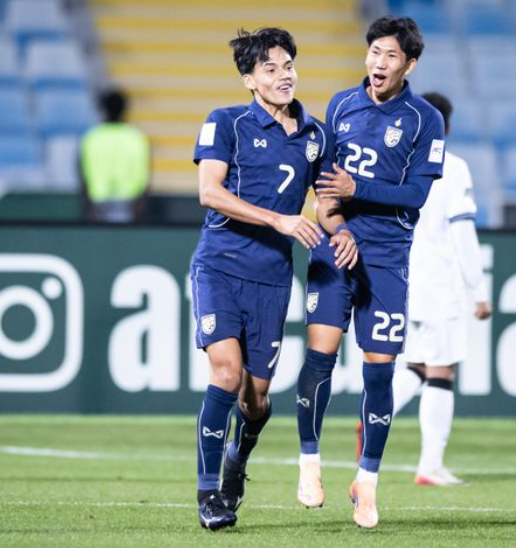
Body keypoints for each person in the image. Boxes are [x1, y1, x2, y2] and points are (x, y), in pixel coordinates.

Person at [190, 27, 357, 531]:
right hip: (220, 266)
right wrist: (278, 220)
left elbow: (325, 204)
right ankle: (209, 494)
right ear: (249, 80)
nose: (284, 76)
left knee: (256, 399)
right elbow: (209, 192)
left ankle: (237, 458)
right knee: (226, 373)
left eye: (288, 66)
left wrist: (341, 229)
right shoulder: (226, 123)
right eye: (270, 69)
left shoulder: (317, 135)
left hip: (272, 279)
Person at [295, 16, 445, 529]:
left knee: (379, 372)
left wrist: (358, 189)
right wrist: (339, 229)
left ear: (410, 65)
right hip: (335, 248)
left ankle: (367, 481)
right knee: (320, 356)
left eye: (390, 56)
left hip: (386, 258)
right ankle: (309, 464)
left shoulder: (425, 120)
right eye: (374, 52)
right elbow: (324, 192)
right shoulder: (340, 105)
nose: (378, 63)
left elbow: (417, 194)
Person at [389, 91, 492, 486]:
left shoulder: (396, 164)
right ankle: (430, 465)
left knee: (417, 363)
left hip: (401, 281)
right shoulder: (453, 167)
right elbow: (462, 231)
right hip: (438, 284)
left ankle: (376, 413)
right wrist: (478, 289)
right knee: (441, 370)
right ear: (445, 127)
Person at [79, 88, 151, 222]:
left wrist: (88, 208)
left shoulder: (92, 138)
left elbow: (83, 175)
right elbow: (144, 176)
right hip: (129, 204)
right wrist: (139, 209)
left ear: (104, 110)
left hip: (97, 204)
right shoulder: (136, 138)